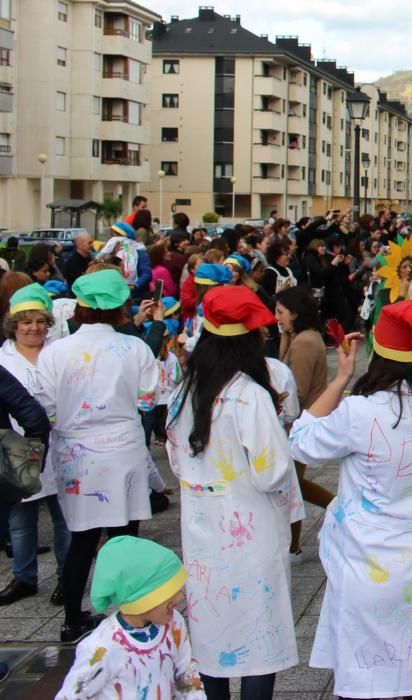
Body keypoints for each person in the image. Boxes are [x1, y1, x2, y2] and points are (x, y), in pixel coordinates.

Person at [288, 299, 412, 699]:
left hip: (368, 569)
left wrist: (340, 378)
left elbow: (300, 443)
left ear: (377, 354)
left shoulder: (359, 412)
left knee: (366, 683)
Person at [166, 285, 302, 698]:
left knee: (211, 628)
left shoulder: (183, 391)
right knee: (259, 631)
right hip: (250, 527)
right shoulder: (249, 395)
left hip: (202, 526)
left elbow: (175, 462)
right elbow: (273, 472)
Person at [36, 269, 160, 643]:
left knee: (82, 539)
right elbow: (148, 398)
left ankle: (72, 618)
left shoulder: (55, 352)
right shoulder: (134, 348)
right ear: (120, 307)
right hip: (123, 449)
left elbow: (46, 406)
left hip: (76, 455)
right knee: (126, 537)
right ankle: (130, 615)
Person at [55, 536, 204, 699]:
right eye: (168, 592)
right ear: (139, 599)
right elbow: (70, 696)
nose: (179, 597)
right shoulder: (102, 647)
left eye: (178, 587)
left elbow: (186, 674)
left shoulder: (174, 624)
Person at [0, 285, 68, 607]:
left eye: (40, 321)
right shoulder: (3, 357)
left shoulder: (62, 352)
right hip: (18, 448)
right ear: (14, 325)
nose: (33, 328)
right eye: (25, 322)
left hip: (63, 444)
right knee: (21, 518)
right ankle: (24, 577)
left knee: (63, 515)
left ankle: (68, 577)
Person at [275, 285, 335, 560]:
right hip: (304, 420)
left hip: (301, 421)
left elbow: (295, 390)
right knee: (294, 485)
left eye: (281, 312)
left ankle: (294, 545)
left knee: (293, 486)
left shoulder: (305, 343)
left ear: (295, 314)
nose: (277, 317)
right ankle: (293, 545)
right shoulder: (301, 338)